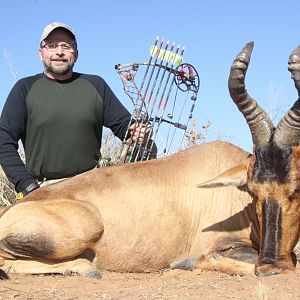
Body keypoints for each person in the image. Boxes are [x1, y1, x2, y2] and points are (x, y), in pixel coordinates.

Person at [0, 22, 150, 199]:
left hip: (94, 189)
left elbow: (125, 127)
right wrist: (26, 185)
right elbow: (4, 139)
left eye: (66, 46)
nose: (59, 52)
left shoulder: (96, 85)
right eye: (52, 46)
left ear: (76, 54)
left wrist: (139, 132)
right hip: (45, 191)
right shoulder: (24, 88)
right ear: (41, 53)